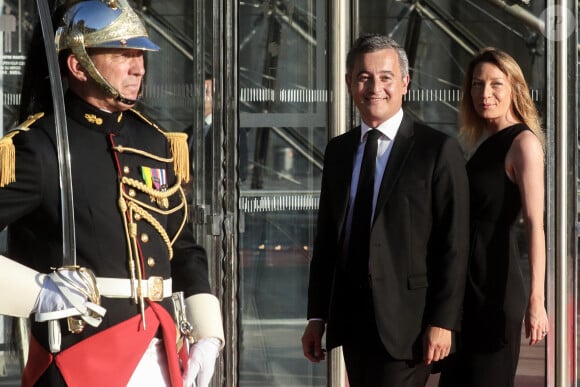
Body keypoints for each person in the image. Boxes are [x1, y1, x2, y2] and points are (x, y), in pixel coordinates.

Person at [0, 1, 224, 386]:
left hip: (163, 353)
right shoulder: (38, 147)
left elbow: (182, 248)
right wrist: (35, 294)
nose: (139, 66)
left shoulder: (154, 141)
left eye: (140, 54)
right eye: (123, 54)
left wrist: (208, 334)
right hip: (80, 356)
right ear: (78, 64)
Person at [301, 33, 470, 387]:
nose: (375, 87)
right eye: (364, 77)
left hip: (409, 326)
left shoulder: (436, 151)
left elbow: (453, 244)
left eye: (386, 77)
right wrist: (317, 315)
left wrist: (444, 321)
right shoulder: (339, 151)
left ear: (405, 83)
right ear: (349, 83)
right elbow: (328, 240)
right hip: (353, 322)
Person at [437, 47, 549, 387]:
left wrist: (537, 300)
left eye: (496, 84)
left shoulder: (523, 143)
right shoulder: (485, 141)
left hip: (495, 285)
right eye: (477, 84)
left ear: (514, 88)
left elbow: (535, 224)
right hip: (467, 285)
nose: (485, 94)